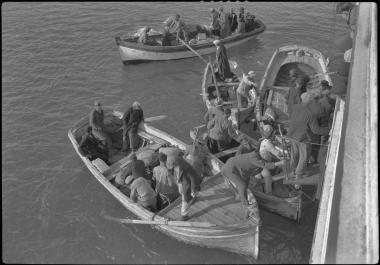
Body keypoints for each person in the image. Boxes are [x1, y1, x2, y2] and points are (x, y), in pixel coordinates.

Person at [221, 149, 285, 211]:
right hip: (230, 169)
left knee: (245, 184)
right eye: (265, 160)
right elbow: (264, 165)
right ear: (263, 157)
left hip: (242, 171)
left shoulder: (257, 156)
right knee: (242, 186)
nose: (265, 161)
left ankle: (239, 196)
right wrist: (280, 163)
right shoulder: (254, 158)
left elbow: (261, 168)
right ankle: (245, 205)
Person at [286, 102, 330, 179]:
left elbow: (290, 113)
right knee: (304, 156)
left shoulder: (297, 108)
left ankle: (293, 171)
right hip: (303, 139)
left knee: (294, 155)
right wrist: (329, 130)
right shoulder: (311, 116)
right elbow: (316, 130)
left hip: (292, 135)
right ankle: (299, 174)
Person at [166, 155, 202, 220]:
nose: (172, 167)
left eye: (173, 165)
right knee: (185, 198)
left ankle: (184, 214)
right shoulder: (178, 163)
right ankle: (185, 213)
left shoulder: (187, 167)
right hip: (182, 183)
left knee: (186, 198)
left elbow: (193, 178)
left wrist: (193, 189)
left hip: (187, 185)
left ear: (175, 163)